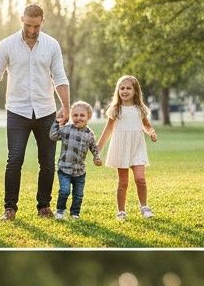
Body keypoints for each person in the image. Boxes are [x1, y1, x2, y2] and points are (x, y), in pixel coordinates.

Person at [0, 4, 70, 220]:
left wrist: (66, 106)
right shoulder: (7, 44)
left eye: (36, 26)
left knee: (48, 161)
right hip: (17, 111)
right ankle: (9, 208)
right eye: (28, 25)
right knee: (14, 160)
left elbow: (59, 77)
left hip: (46, 110)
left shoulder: (51, 45)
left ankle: (44, 206)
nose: (32, 30)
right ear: (22, 18)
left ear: (42, 21)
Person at [97, 75, 158, 220]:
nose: (124, 91)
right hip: (121, 147)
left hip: (137, 147)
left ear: (135, 91)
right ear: (118, 91)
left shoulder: (140, 109)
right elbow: (108, 130)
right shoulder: (115, 109)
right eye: (122, 88)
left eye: (128, 88)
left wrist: (151, 132)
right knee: (123, 182)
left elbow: (146, 125)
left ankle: (144, 207)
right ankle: (121, 211)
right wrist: (97, 149)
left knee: (140, 178)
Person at [50, 100, 103, 220]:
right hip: (64, 168)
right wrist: (56, 121)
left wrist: (97, 157)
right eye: (75, 115)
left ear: (89, 117)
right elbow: (53, 136)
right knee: (64, 191)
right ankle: (60, 211)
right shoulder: (66, 129)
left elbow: (94, 147)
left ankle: (75, 213)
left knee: (78, 195)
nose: (78, 118)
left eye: (82, 115)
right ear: (71, 117)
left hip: (80, 172)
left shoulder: (90, 134)